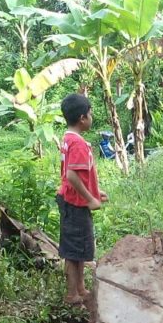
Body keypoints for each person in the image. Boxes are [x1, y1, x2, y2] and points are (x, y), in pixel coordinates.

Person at [56, 92, 105, 305]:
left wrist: (95, 192)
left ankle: (80, 288)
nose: (91, 118)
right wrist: (89, 199)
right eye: (90, 114)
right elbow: (72, 175)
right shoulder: (78, 144)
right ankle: (71, 294)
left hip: (73, 200)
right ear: (82, 118)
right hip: (75, 203)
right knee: (73, 250)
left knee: (79, 248)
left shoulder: (68, 139)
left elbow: (79, 175)